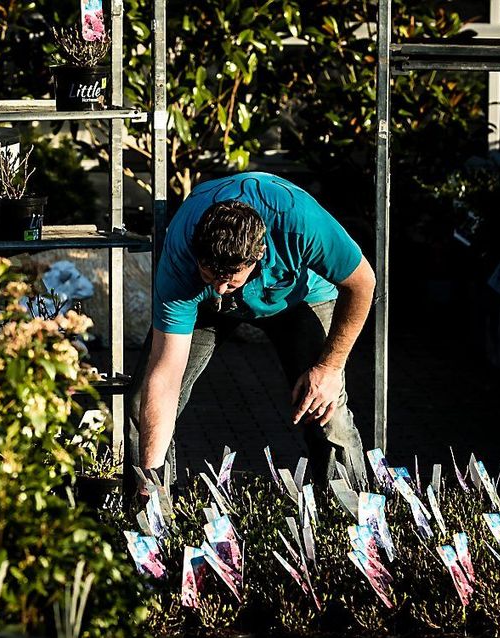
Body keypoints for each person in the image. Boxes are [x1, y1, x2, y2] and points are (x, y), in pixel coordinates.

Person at [127, 172, 374, 496]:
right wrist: (150, 477)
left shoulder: (299, 223)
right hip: (205, 307)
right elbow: (165, 374)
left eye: (229, 281)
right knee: (140, 402)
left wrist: (330, 367)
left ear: (257, 257)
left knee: (325, 407)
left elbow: (362, 283)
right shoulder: (182, 256)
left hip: (301, 297)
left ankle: (356, 520)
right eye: (209, 275)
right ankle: (152, 515)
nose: (219, 287)